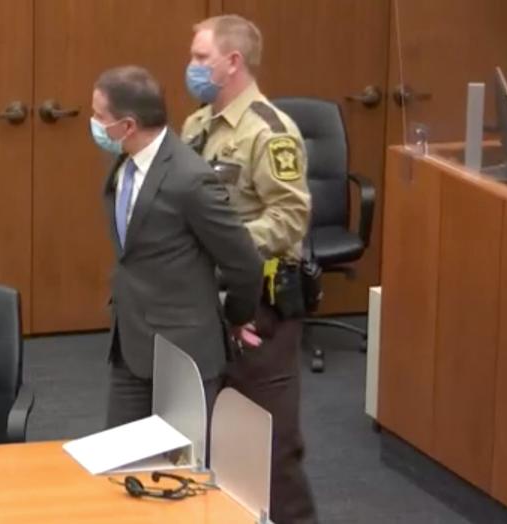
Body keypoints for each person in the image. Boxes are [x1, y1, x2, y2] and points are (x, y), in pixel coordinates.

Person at [181, 15, 317, 523]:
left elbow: (289, 218)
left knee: (270, 444)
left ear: (232, 61)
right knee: (211, 436)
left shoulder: (269, 131)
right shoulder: (197, 125)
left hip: (262, 305)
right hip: (207, 300)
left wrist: (225, 246)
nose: (191, 67)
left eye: (200, 58)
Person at [91, 65, 263, 429]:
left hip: (183, 352)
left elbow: (244, 262)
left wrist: (234, 316)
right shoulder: (124, 164)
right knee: (117, 468)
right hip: (130, 343)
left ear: (128, 125)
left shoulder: (190, 179)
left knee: (182, 474)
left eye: (99, 116)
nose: (93, 123)